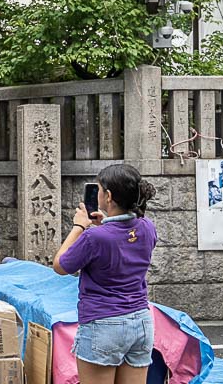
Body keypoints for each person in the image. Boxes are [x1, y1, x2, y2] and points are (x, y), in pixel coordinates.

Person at [53, 164, 158, 384]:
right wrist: (105, 223)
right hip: (141, 322)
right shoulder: (147, 227)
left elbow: (60, 265)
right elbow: (124, 237)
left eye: (99, 190)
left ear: (108, 196)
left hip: (103, 324)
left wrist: (79, 227)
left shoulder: (95, 238)